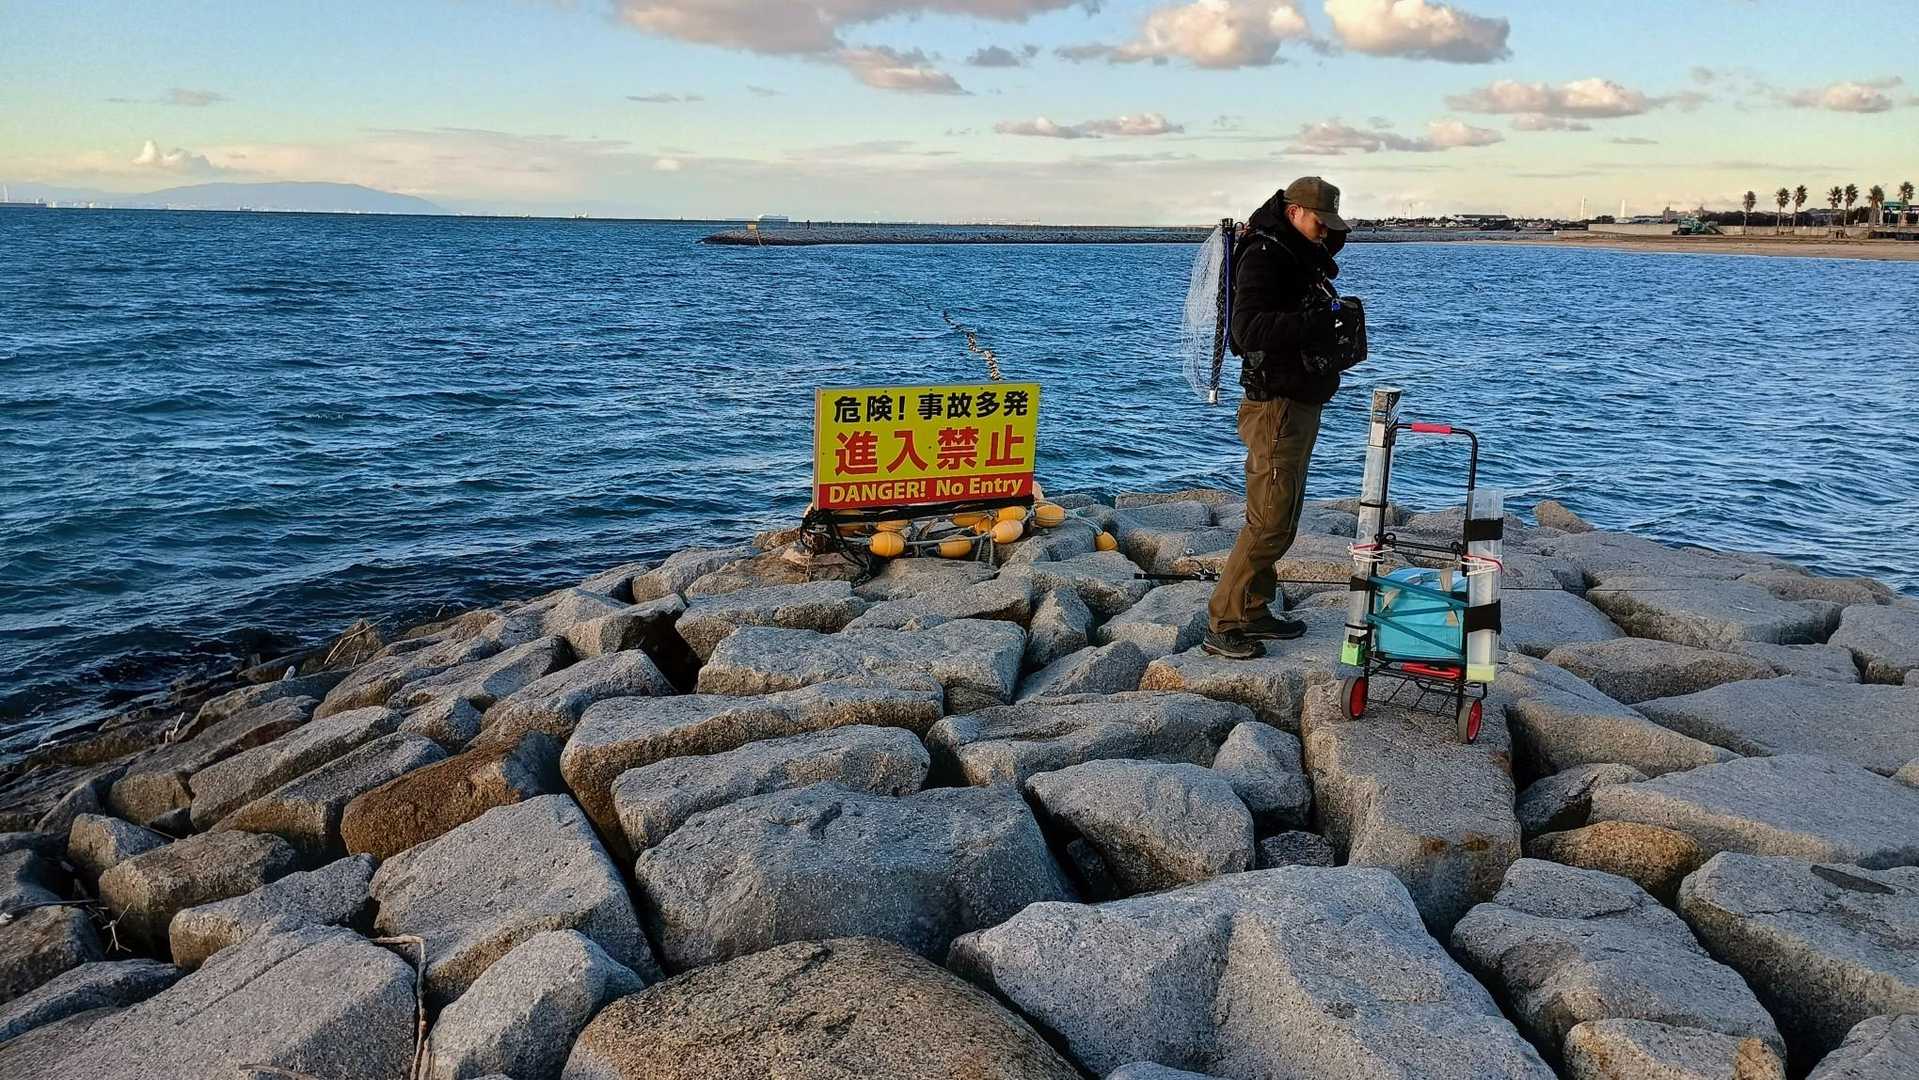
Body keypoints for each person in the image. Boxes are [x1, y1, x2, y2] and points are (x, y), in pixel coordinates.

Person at [1203, 176, 1361, 660]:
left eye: (1331, 225)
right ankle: (1224, 621)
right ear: (1293, 212)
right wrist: (1320, 319)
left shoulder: (1293, 253)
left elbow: (1305, 283)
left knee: (1282, 513)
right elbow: (1246, 331)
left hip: (1296, 400)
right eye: (1319, 222)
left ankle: (1254, 608)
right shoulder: (1265, 255)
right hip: (1276, 403)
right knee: (1270, 519)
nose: (1325, 232)